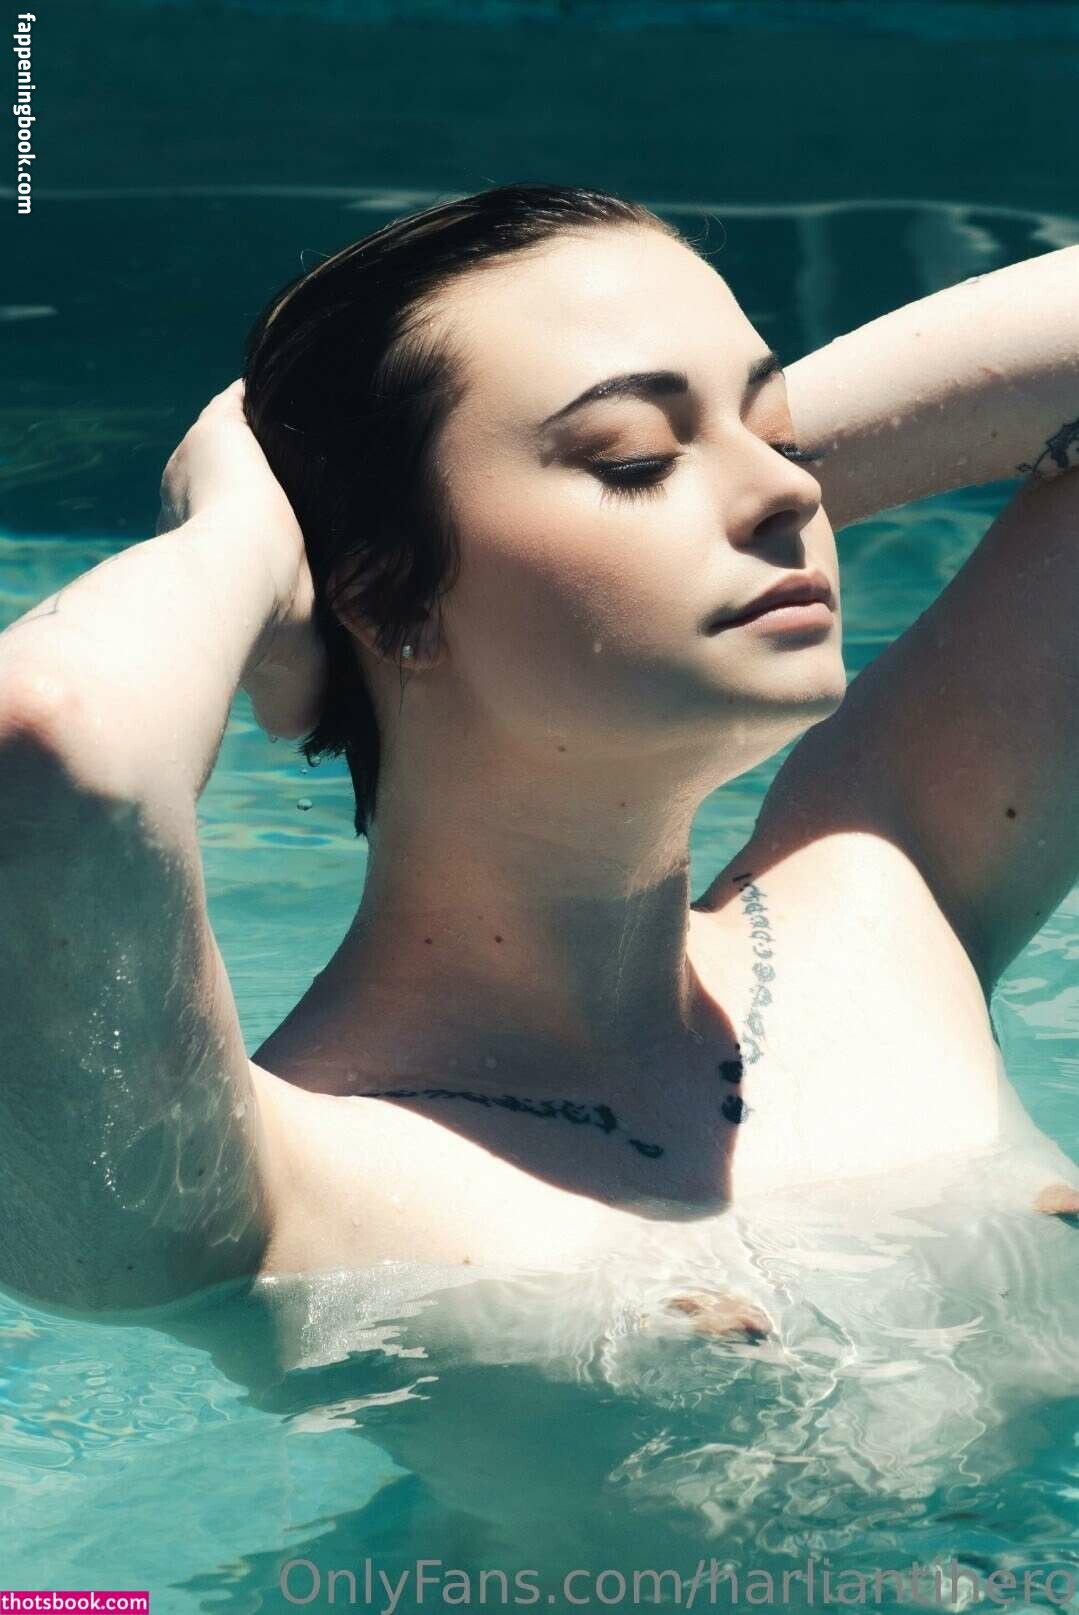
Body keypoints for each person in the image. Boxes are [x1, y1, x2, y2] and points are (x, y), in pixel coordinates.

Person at [1, 182, 1078, 1326]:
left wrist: (716, 500)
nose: (789, 487)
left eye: (779, 438)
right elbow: (51, 743)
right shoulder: (260, 1193)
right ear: (383, 595)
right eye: (631, 459)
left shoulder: (886, 897)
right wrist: (249, 544)